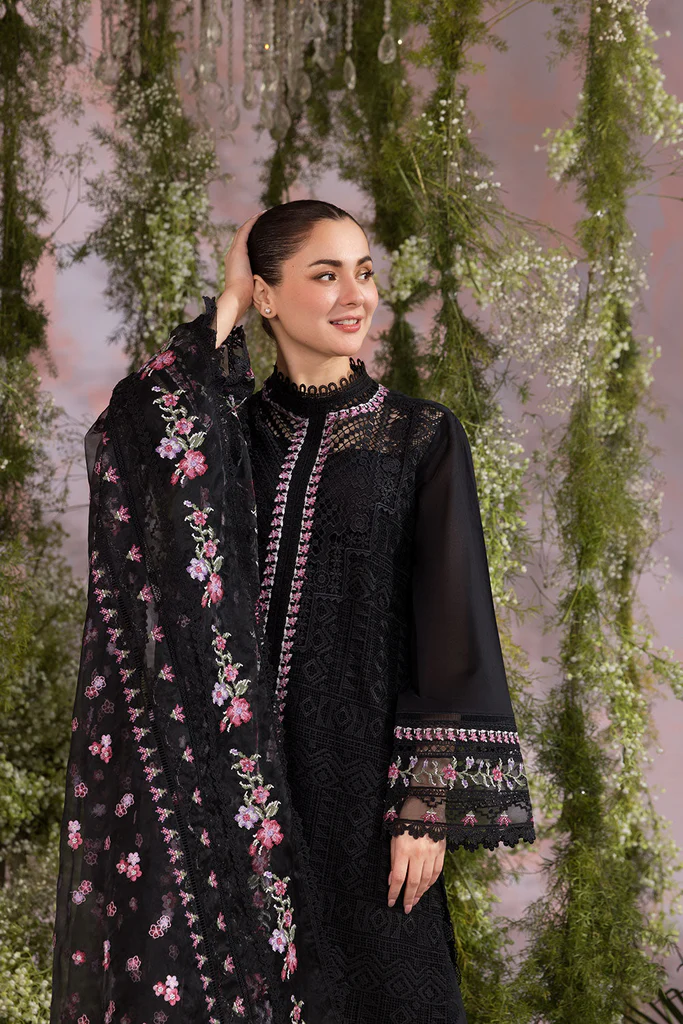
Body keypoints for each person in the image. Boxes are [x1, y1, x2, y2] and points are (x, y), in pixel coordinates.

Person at [50, 199, 534, 1024]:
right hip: (235, 792)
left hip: (365, 798)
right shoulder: (225, 440)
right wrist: (228, 305)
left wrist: (423, 806)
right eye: (325, 274)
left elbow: (451, 626)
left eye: (363, 272)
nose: (355, 294)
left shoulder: (417, 437)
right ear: (270, 296)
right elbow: (129, 433)